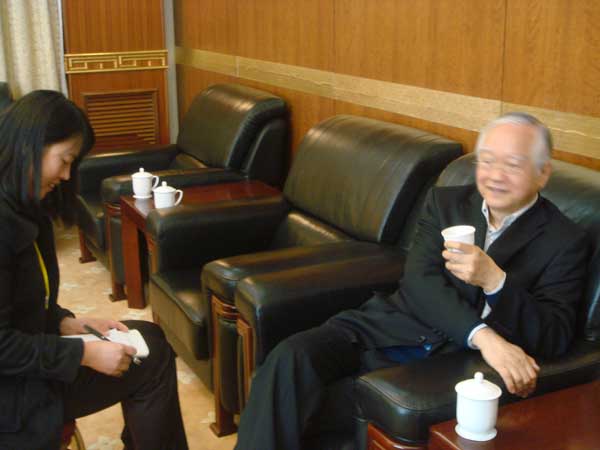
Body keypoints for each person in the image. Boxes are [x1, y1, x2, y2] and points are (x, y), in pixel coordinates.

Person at [234, 113, 591, 450]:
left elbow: (554, 333)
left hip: (443, 362)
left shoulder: (564, 240)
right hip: (386, 326)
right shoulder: (447, 203)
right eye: (487, 160)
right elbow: (420, 281)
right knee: (288, 360)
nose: (495, 175)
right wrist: (484, 337)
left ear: (543, 173)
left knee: (317, 408)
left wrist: (495, 281)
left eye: (512, 164)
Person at [0, 90, 188, 450]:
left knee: (149, 339)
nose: (66, 175)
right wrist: (83, 354)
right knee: (152, 361)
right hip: (14, 398)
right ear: (30, 144)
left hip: (28, 369)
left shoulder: (21, 205)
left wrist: (66, 323)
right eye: (65, 160)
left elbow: (22, 302)